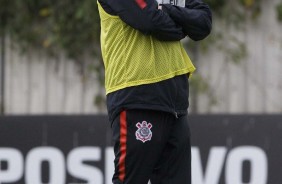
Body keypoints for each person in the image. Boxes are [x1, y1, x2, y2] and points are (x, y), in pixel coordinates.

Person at [97, 0, 212, 183]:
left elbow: (203, 22)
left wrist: (165, 9)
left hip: (175, 101)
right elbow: (150, 20)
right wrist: (181, 26)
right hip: (137, 94)